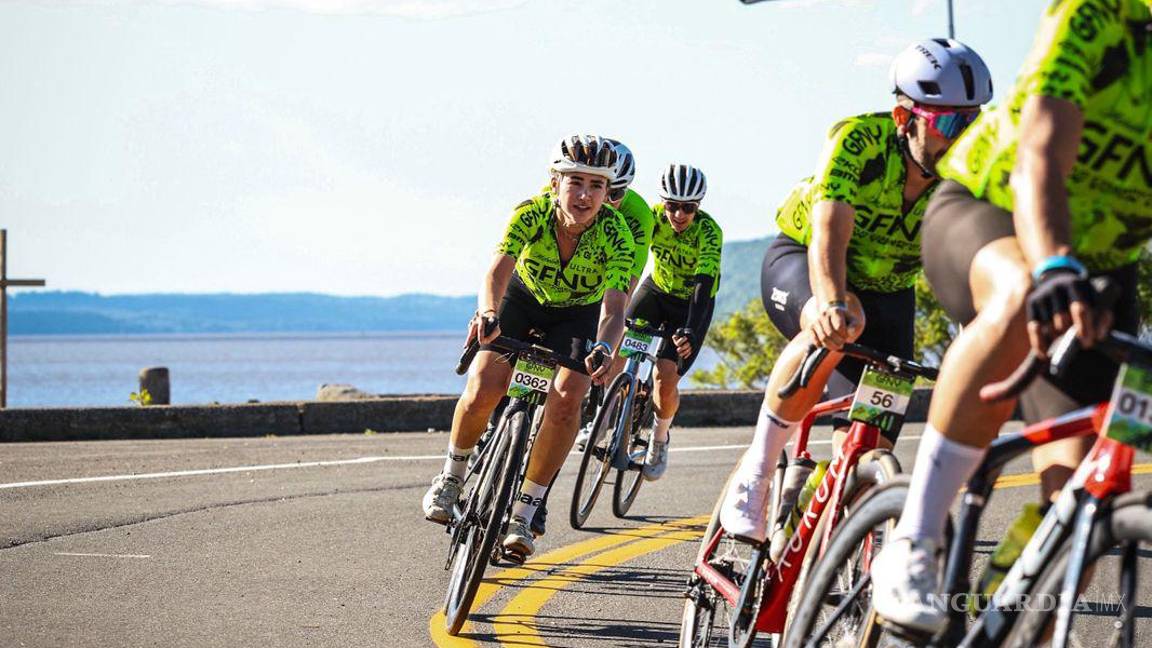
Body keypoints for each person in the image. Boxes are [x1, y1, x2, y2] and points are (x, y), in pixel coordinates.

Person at [871, 1, 1152, 634]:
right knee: (1022, 288)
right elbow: (1041, 156)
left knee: (1077, 515)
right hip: (992, 207)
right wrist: (1054, 263)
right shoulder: (1100, 17)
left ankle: (992, 620)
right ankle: (914, 539)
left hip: (1103, 271)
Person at [718, 39, 994, 544]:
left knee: (865, 451)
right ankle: (755, 476)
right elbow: (830, 235)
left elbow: (972, 262)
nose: (962, 141)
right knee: (841, 324)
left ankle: (809, 526)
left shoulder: (972, 171)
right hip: (807, 260)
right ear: (903, 117)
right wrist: (830, 302)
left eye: (974, 124)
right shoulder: (859, 142)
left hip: (889, 291)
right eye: (949, 125)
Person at [422, 134, 634, 561]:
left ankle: (525, 511)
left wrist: (606, 350)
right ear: (555, 182)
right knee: (485, 383)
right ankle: (451, 476)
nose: (585, 195)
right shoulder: (530, 213)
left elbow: (614, 307)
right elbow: (496, 273)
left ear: (607, 193)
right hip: (522, 300)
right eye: (576, 181)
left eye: (597, 186)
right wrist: (486, 313)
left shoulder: (618, 237)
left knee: (567, 399)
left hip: (576, 313)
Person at [624, 164, 722, 480]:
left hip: (690, 303)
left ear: (699, 207)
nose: (679, 214)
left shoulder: (709, 231)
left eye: (688, 208)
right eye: (672, 206)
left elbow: (703, 283)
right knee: (613, 342)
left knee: (665, 378)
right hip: (656, 290)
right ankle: (600, 416)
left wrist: (691, 328)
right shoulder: (651, 218)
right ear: (662, 202)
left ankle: (659, 438)